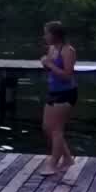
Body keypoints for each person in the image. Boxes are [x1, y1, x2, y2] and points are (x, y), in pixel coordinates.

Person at [40, 21, 78, 175]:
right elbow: (51, 69)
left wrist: (49, 63)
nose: (45, 36)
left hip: (66, 92)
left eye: (47, 33)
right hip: (53, 91)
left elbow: (68, 75)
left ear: (55, 35)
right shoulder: (52, 48)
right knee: (47, 127)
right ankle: (68, 159)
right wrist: (45, 63)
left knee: (57, 129)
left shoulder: (68, 50)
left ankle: (53, 164)